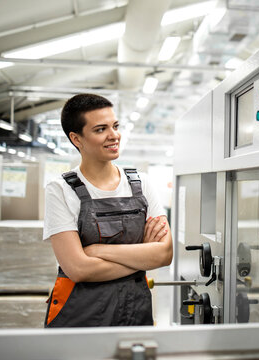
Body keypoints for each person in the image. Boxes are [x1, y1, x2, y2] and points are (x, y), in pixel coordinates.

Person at [43, 93, 173, 327]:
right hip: (79, 316)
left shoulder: (142, 184)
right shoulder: (60, 190)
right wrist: (142, 254)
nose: (114, 135)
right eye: (100, 129)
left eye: (115, 126)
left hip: (135, 313)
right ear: (76, 139)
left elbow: (164, 255)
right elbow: (79, 269)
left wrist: (96, 251)